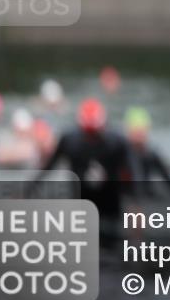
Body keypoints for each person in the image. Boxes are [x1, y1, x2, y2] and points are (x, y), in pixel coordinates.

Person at [39, 98, 138, 243]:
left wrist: (135, 210)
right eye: (88, 134)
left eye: (95, 134)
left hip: (110, 210)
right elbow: (48, 168)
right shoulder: (69, 141)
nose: (92, 139)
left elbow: (131, 178)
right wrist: (26, 192)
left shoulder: (117, 143)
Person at [124, 106, 170, 195]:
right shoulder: (122, 155)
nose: (139, 135)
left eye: (141, 131)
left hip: (147, 195)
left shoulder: (152, 155)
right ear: (128, 131)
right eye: (136, 131)